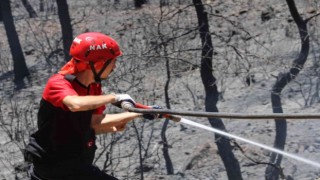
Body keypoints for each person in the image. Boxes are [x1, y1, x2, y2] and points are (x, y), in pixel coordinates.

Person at [24, 32, 158, 180]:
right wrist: (114, 97)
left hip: (76, 165)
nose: (115, 66)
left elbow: (95, 123)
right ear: (98, 63)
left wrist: (139, 113)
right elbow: (75, 104)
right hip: (55, 167)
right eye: (112, 61)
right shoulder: (58, 83)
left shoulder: (93, 87)